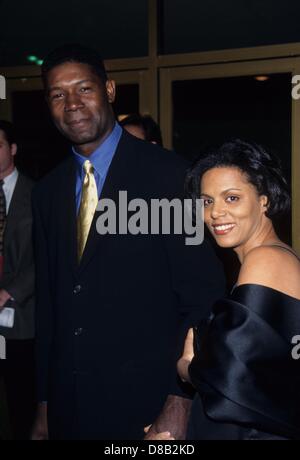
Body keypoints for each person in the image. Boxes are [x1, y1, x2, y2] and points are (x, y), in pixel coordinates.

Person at [31, 44, 225, 440]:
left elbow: (202, 298)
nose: (72, 103)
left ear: (110, 91)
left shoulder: (169, 177)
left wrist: (180, 399)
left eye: (84, 89)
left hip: (148, 408)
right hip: (70, 409)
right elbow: (50, 305)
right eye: (57, 94)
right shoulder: (47, 192)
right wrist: (45, 404)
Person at [157, 139, 300, 440]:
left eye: (231, 198)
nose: (215, 213)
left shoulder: (266, 259)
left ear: (265, 200)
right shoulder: (272, 258)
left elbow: (231, 380)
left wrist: (187, 368)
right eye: (207, 201)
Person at [0, 120, 35, 439]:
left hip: (20, 317)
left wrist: (8, 291)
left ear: (12, 149)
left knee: (20, 400)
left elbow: (44, 256)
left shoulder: (37, 193)